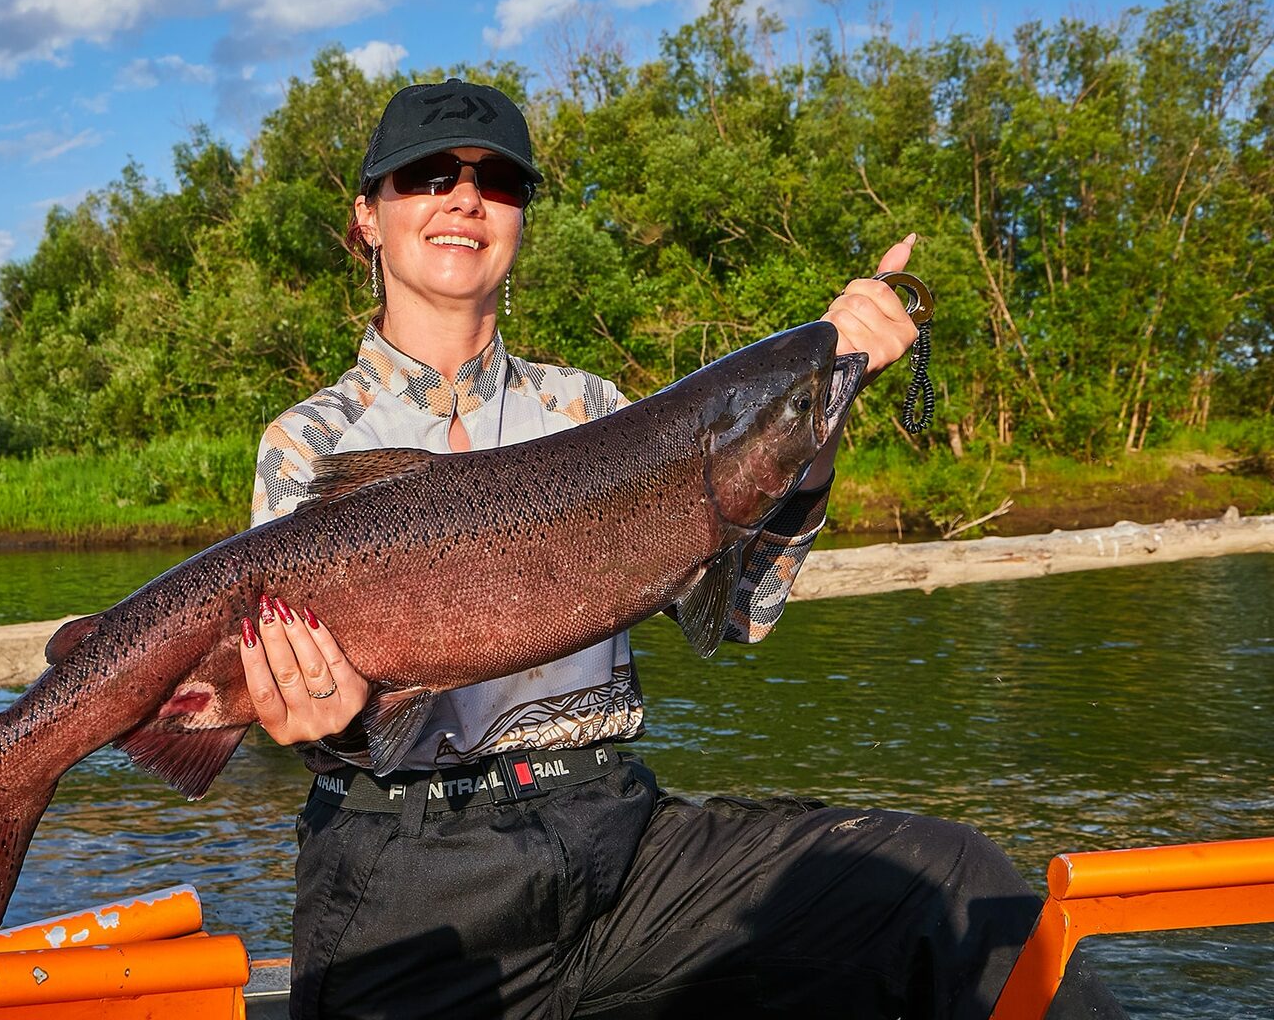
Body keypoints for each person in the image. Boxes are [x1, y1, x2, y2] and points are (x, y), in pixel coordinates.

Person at [241, 79, 1125, 1019]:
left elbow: (739, 612)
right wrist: (322, 724)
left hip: (619, 844)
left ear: (519, 222)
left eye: (497, 182)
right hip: (409, 869)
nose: (465, 198)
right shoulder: (306, 442)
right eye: (427, 176)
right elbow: (313, 718)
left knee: (950, 881)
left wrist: (815, 413)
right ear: (368, 218)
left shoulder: (595, 410)